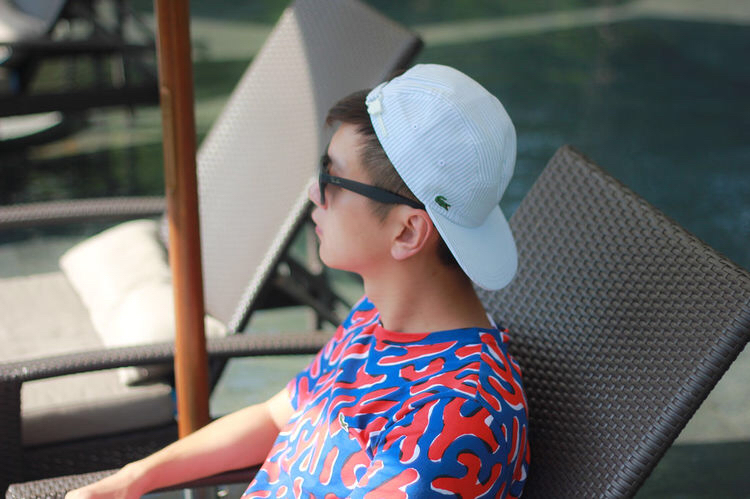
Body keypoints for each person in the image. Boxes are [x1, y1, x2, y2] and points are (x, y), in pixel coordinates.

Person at [67, 64, 530, 499]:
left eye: (333, 178)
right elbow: (277, 416)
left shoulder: (458, 415)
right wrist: (131, 480)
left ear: (407, 232)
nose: (314, 192)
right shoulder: (376, 317)